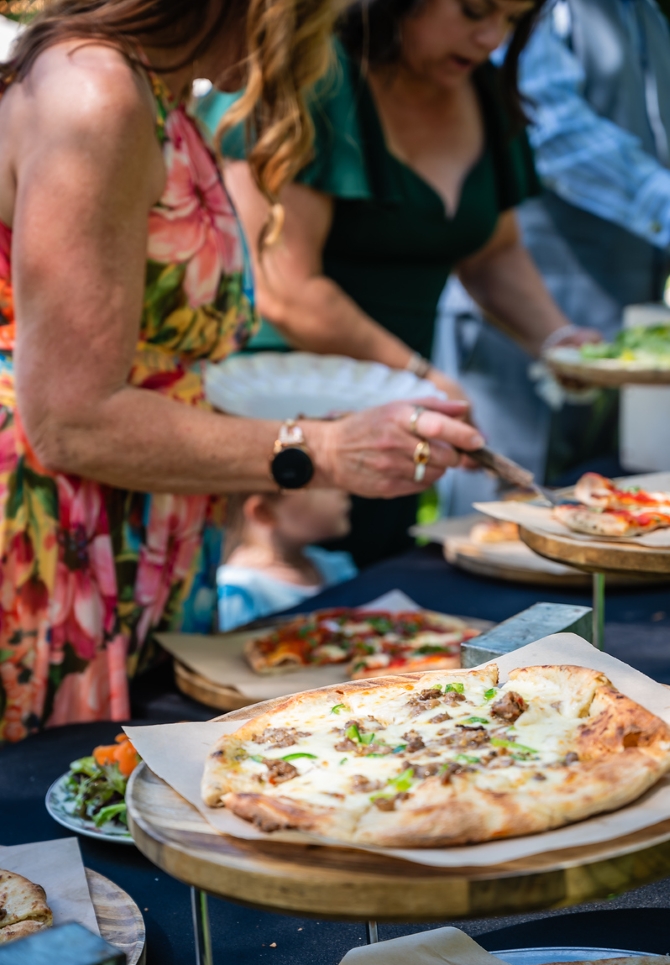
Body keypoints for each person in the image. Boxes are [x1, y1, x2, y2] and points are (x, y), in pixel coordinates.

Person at [0, 0, 485, 742]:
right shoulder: (97, 94)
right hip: (60, 548)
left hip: (144, 535)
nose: (318, 43)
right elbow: (72, 419)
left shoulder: (155, 94)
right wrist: (322, 450)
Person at [198, 0, 601, 567]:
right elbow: (287, 290)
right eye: (474, 11)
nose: (491, 37)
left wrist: (557, 340)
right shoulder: (317, 72)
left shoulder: (482, 90)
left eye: (512, 20)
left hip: (398, 423)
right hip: (285, 428)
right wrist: (422, 378)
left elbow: (491, 250)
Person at [437, 0, 670, 513]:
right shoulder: (551, 8)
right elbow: (556, 130)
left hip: (610, 337)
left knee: (602, 508)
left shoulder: (647, 15)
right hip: (515, 327)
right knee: (501, 521)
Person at [217, 488, 356, 630]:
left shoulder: (336, 566)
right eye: (321, 486)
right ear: (264, 512)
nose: (343, 490)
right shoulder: (236, 592)